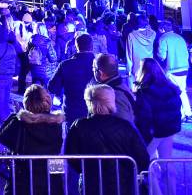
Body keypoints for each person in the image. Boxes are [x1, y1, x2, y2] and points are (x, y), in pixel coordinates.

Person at [64, 85, 149, 195]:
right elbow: (142, 157)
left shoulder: (79, 126)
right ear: (111, 101)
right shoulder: (125, 126)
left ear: (89, 102)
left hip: (91, 184)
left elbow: (71, 156)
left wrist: (86, 169)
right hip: (122, 185)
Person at [0, 85, 64, 195]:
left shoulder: (19, 122)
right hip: (51, 173)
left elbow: (1, 136)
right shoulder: (56, 124)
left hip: (24, 175)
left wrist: (17, 115)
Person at [133, 59, 181, 195]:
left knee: (145, 164)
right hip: (169, 130)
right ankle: (171, 192)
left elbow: (142, 117)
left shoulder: (144, 91)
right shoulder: (170, 87)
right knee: (166, 163)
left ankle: (157, 192)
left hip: (153, 132)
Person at [48, 33, 95, 126]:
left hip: (71, 112)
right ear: (92, 46)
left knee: (71, 139)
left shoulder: (65, 65)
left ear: (76, 47)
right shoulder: (99, 63)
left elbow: (52, 87)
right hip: (94, 113)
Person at [155, 20, 191, 121]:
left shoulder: (163, 38)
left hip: (172, 69)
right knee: (182, 91)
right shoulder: (180, 38)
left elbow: (161, 56)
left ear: (162, 29)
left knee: (175, 92)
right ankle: (188, 112)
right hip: (184, 68)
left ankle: (182, 115)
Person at [91, 53, 135, 124]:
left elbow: (125, 125)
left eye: (93, 69)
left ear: (101, 73)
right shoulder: (121, 86)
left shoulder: (113, 95)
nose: (92, 71)